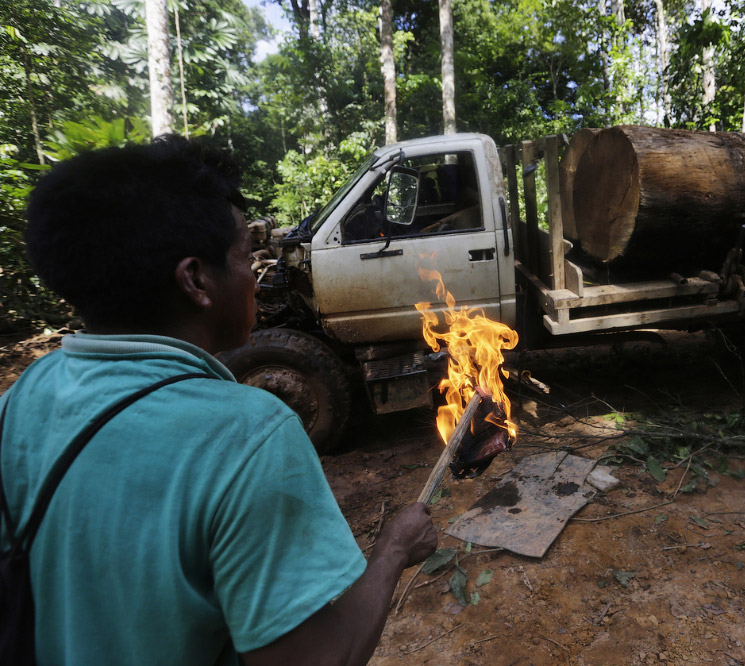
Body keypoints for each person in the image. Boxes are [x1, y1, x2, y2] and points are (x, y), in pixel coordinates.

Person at [1, 135, 437, 665]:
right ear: (196, 280)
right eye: (245, 257)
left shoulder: (26, 394)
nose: (256, 277)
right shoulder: (249, 433)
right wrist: (392, 552)